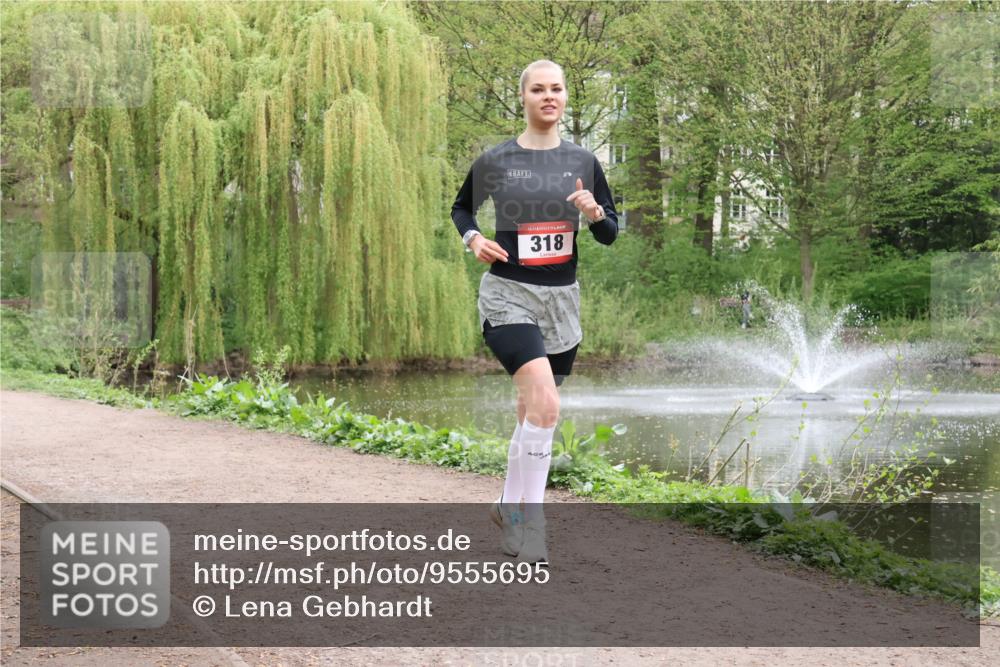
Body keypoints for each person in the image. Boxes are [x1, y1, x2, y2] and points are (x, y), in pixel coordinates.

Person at [451, 60, 619, 565]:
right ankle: (531, 525)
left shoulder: (585, 161)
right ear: (523, 96)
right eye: (539, 89)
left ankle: (507, 505)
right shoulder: (497, 159)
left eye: (558, 89)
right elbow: (462, 208)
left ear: (566, 97)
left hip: (562, 303)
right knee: (546, 407)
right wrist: (474, 238)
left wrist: (594, 215)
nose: (550, 96)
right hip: (509, 295)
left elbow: (610, 232)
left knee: (531, 413)